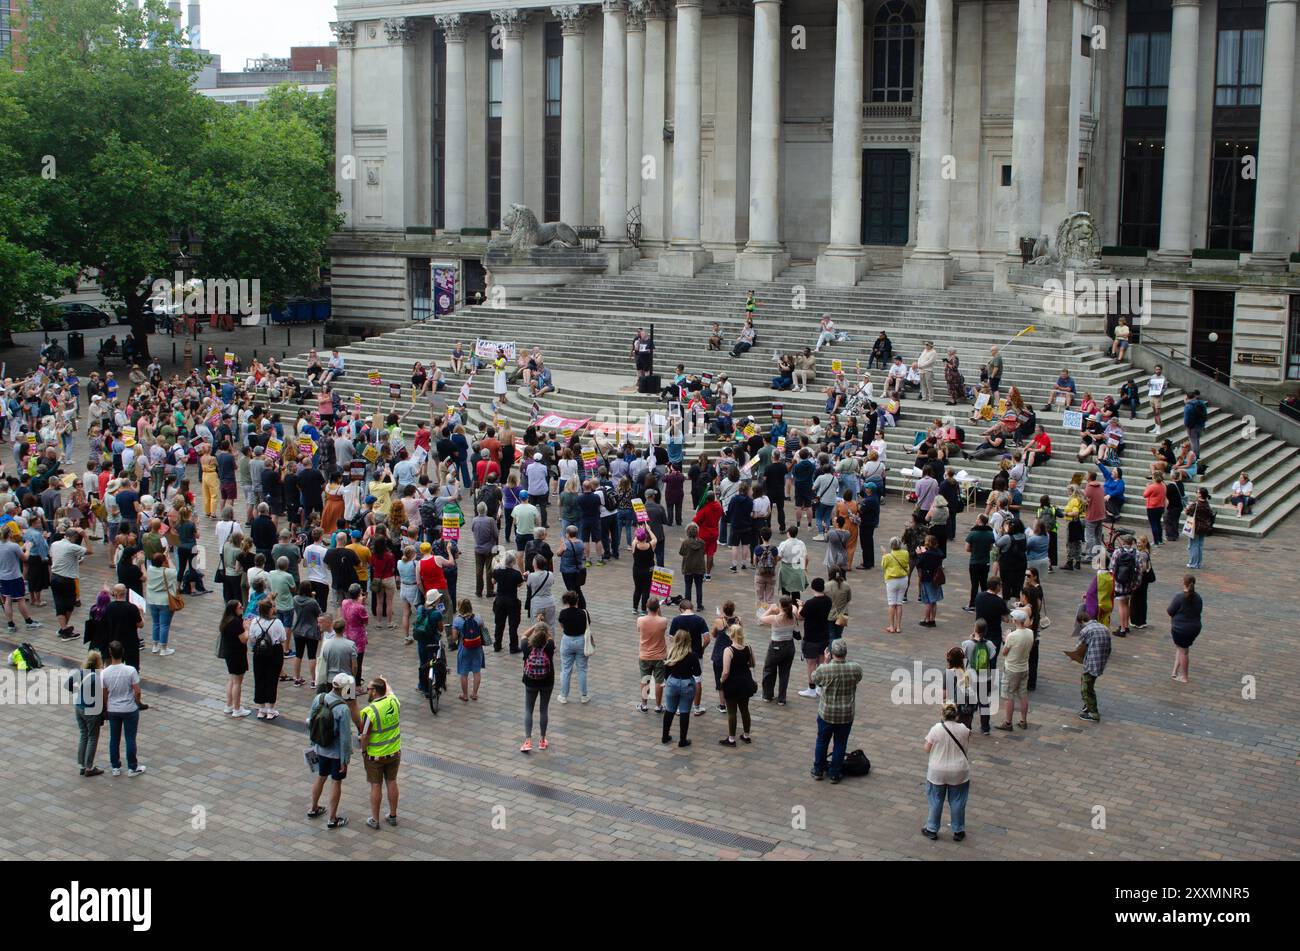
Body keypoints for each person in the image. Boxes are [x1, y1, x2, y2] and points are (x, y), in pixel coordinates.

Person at [809, 639, 863, 783]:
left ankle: (818, 770)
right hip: (846, 713)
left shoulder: (825, 669)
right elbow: (858, 678)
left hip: (827, 712)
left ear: (832, 653)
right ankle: (835, 773)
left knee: (822, 741)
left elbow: (814, 678)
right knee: (840, 743)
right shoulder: (855, 668)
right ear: (845, 653)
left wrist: (825, 662)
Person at [307, 673, 355, 829]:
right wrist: (345, 759)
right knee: (336, 782)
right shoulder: (343, 708)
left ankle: (313, 808)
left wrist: (312, 745)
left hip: (318, 748)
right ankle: (332, 818)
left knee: (321, 777)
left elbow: (310, 722)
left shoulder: (319, 698)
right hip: (335, 754)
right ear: (345, 689)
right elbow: (345, 738)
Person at [921, 703, 972, 841]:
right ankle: (958, 830)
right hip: (959, 770)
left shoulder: (936, 729)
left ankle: (931, 829)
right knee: (957, 800)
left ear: (942, 714)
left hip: (937, 770)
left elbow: (926, 748)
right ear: (957, 715)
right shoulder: (964, 730)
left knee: (935, 799)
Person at [358, 676, 402, 829]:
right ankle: (393, 815)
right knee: (392, 781)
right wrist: (385, 681)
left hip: (375, 755)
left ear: (375, 692)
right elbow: (389, 691)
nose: (367, 691)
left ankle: (375, 820)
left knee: (376, 785)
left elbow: (365, 735)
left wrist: (363, 751)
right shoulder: (393, 701)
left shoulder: (371, 711)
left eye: (369, 689)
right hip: (394, 751)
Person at [102, 640, 146, 777]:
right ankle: (132, 767)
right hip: (129, 708)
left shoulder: (105, 673)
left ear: (110, 653)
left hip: (113, 709)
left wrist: (106, 706)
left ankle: (115, 766)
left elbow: (104, 693)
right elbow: (137, 691)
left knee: (114, 738)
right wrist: (137, 703)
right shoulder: (130, 670)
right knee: (130, 738)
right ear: (123, 653)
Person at [67, 648, 105, 777]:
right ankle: (89, 767)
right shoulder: (96, 677)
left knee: (83, 735)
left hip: (79, 707)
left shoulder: (81, 672)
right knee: (93, 737)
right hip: (91, 710)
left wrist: (77, 693)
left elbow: (67, 684)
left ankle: (82, 765)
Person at [995, 608, 1034, 731]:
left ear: (1015, 620)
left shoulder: (1012, 636)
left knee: (1009, 696)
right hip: (1024, 667)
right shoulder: (1030, 633)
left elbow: (1004, 652)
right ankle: (1023, 720)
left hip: (1012, 669)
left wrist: (1006, 639)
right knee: (1023, 694)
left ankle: (1008, 723)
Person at [717, 623, 755, 746]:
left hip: (732, 684)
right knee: (745, 709)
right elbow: (752, 664)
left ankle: (731, 739)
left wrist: (721, 680)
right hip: (745, 682)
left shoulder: (728, 650)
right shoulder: (748, 647)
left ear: (731, 635)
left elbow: (726, 671)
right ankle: (746, 735)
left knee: (732, 712)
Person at [249, 598, 287, 719]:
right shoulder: (277, 622)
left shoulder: (255, 622)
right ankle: (271, 709)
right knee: (272, 679)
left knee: (259, 678)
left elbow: (252, 638)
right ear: (269, 610)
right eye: (273, 607)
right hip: (274, 652)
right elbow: (283, 638)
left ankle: (261, 709)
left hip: (259, 653)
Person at [1073, 607, 1112, 722]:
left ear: (1081, 622)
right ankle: (1087, 705)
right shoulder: (1103, 627)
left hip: (1091, 661)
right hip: (1101, 660)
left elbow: (1079, 648)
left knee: (1086, 688)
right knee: (1090, 683)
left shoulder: (1085, 630)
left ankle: (1093, 712)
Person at [757, 596, 798, 704]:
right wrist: (780, 609)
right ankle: (781, 699)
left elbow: (761, 617)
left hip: (776, 646)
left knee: (769, 670)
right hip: (789, 646)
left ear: (781, 606)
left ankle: (767, 695)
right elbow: (793, 607)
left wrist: (771, 609)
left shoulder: (775, 618)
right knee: (784, 673)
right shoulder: (793, 614)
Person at [218, 599, 251, 718]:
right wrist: (247, 628)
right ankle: (237, 709)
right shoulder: (236, 622)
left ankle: (229, 705)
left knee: (232, 680)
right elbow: (244, 639)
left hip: (229, 653)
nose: (242, 608)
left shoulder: (226, 621)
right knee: (237, 682)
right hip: (237, 654)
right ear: (234, 609)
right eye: (240, 607)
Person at [556, 590, 590, 704]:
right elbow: (588, 625)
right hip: (581, 641)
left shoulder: (563, 613)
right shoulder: (584, 613)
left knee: (566, 670)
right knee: (582, 669)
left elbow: (562, 625)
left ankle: (563, 695)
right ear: (577, 600)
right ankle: (584, 695)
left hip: (567, 640)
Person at [636, 596, 669, 712]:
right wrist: (659, 612)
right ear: (658, 608)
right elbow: (662, 622)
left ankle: (644, 704)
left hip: (645, 655)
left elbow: (639, 630)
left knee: (645, 679)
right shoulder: (663, 621)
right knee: (659, 681)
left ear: (646, 606)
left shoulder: (641, 620)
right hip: (660, 656)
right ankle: (658, 706)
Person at [1168, 575, 1202, 684]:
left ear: (1184, 583)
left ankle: (1185, 677)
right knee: (1181, 648)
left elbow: (1170, 611)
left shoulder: (1179, 596)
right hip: (1194, 627)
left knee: (1183, 651)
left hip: (1180, 628)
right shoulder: (1198, 597)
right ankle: (1174, 672)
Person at [144, 552, 179, 655]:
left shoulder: (150, 569)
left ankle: (155, 646)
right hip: (164, 601)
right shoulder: (167, 572)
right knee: (164, 625)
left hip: (152, 599)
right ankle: (164, 648)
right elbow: (174, 570)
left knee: (155, 623)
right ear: (163, 562)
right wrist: (169, 559)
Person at [452, 597, 486, 702]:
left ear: (459, 608)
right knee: (476, 671)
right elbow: (483, 630)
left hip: (464, 648)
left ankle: (465, 695)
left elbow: (454, 637)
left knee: (464, 672)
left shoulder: (457, 620)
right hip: (477, 648)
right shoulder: (478, 618)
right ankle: (474, 694)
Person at [881, 536, 909, 634]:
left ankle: (891, 626)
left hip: (892, 580)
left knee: (892, 604)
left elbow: (883, 566)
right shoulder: (905, 553)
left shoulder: (888, 556)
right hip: (903, 579)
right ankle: (898, 626)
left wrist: (884, 554)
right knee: (899, 603)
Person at [1184, 487, 1213, 569]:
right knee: (1200, 545)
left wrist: (1187, 508)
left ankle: (1193, 563)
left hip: (1195, 527)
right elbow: (1210, 514)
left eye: (1197, 492)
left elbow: (1188, 512)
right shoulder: (1207, 504)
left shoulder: (1196, 504)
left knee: (1194, 545)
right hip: (1204, 527)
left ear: (1200, 494)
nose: (1196, 493)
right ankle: (1198, 563)